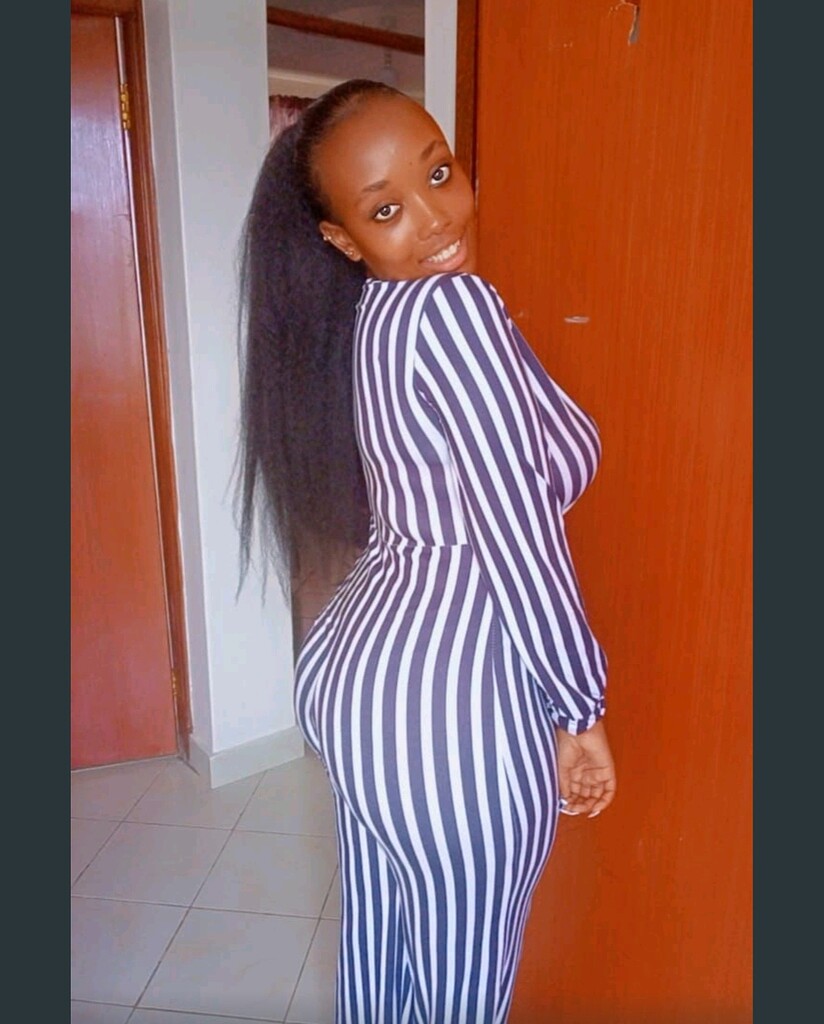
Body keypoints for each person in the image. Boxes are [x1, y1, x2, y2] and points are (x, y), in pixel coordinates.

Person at [237, 79, 616, 1024]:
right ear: (341, 238)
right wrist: (579, 706)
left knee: (381, 948)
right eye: (386, 210)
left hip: (361, 676)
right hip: (446, 713)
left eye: (438, 172)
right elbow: (518, 534)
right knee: (461, 990)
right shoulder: (453, 314)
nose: (437, 216)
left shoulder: (378, 314)